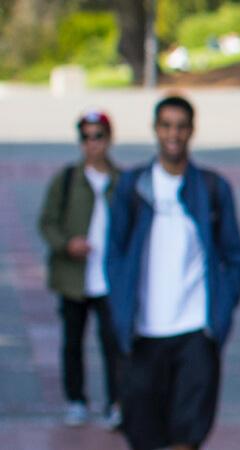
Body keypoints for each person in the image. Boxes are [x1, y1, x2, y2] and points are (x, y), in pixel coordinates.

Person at [106, 96, 240, 450]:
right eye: (166, 126)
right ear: (156, 129)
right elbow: (115, 253)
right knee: (143, 435)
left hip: (194, 333)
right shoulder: (132, 186)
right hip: (143, 333)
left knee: (188, 437)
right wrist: (121, 305)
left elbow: (234, 256)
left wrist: (221, 311)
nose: (174, 134)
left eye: (181, 126)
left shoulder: (212, 188)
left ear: (191, 131)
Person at [38, 109, 125, 429]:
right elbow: (47, 222)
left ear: (109, 139)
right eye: (86, 137)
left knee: (112, 344)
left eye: (98, 136)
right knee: (72, 342)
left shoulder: (122, 181)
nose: (92, 144)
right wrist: (66, 244)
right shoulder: (67, 179)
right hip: (74, 277)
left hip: (108, 279)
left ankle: (115, 403)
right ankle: (76, 400)